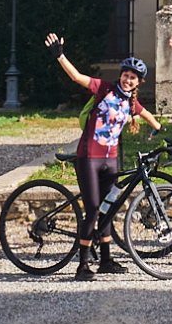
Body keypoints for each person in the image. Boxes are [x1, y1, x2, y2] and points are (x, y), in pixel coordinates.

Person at [44, 33, 162, 280]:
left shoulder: (131, 103)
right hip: (89, 158)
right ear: (121, 75)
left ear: (138, 82)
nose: (128, 80)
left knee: (108, 208)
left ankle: (106, 260)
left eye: (134, 78)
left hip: (111, 161)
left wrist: (160, 130)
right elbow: (77, 77)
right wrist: (60, 56)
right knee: (94, 208)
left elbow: (146, 113)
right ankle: (82, 264)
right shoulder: (104, 88)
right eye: (126, 75)